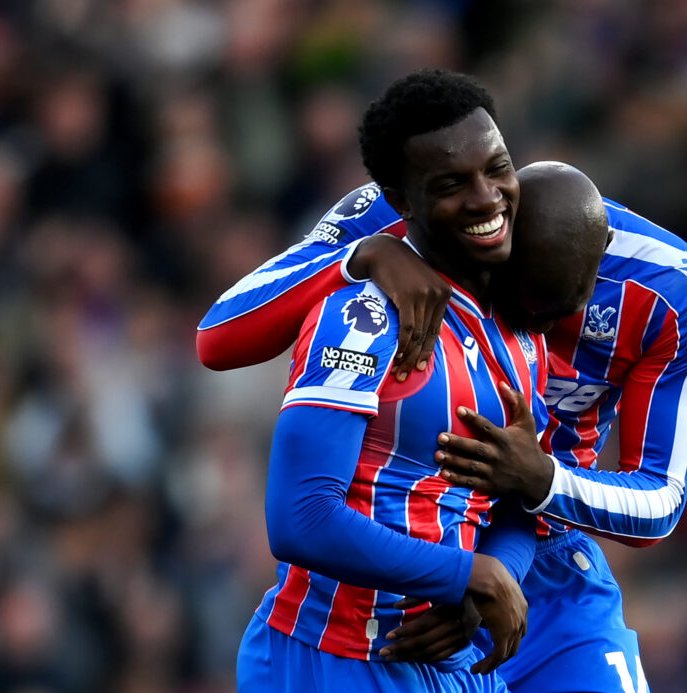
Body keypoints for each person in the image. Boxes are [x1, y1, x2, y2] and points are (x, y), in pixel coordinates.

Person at [201, 83, 687, 693]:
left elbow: (661, 502)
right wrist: (361, 255)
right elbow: (218, 339)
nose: (541, 333)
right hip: (376, 603)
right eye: (519, 304)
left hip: (532, 555)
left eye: (560, 314)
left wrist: (539, 484)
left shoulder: (668, 294)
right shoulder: (387, 248)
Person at [225, 69, 572, 692]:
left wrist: (493, 574)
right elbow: (300, 516)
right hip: (331, 661)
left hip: (452, 661)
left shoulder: (523, 331)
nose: (487, 197)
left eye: (497, 168)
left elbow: (517, 500)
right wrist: (464, 576)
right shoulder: (362, 318)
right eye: (450, 184)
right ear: (401, 200)